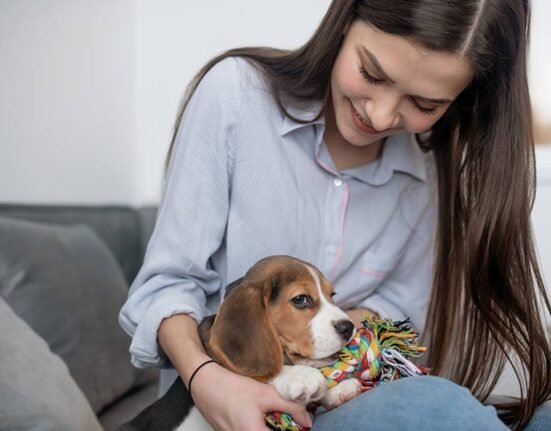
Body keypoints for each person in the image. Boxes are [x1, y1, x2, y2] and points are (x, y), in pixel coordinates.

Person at [119, 0, 551, 429]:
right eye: (371, 73)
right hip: (218, 407)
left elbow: (400, 317)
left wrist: (325, 353)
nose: (380, 116)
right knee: (437, 406)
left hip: (336, 395)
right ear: (345, 22)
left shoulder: (428, 164)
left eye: (425, 103)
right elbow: (169, 285)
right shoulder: (234, 94)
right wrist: (207, 380)